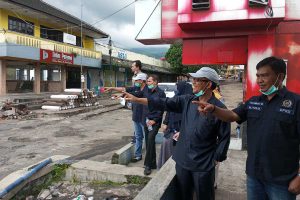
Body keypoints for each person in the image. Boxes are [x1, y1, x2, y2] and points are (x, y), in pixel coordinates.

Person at [194, 57, 300, 200]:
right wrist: (213, 109)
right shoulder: (253, 102)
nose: (259, 80)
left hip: (282, 181)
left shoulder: (295, 103)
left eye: (264, 75)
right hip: (254, 177)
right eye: (257, 76)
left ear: (280, 77)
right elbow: (232, 115)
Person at [123, 67, 231, 200]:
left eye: (197, 80)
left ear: (208, 84)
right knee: (183, 195)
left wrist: (216, 158)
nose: (193, 82)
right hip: (182, 160)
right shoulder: (187, 100)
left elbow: (224, 136)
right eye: (193, 79)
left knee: (205, 196)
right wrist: (137, 100)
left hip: (203, 165)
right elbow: (163, 102)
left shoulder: (219, 109)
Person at [103, 73, 148, 162]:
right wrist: (114, 89)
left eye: (137, 80)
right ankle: (138, 155)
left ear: (142, 81)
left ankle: (149, 158)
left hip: (145, 117)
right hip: (136, 116)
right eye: (135, 80)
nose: (135, 82)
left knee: (147, 139)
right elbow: (124, 89)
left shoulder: (147, 90)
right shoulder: (136, 88)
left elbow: (137, 96)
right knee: (138, 137)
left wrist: (125, 95)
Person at [157, 81, 193, 169]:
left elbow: (190, 119)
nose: (177, 89)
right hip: (171, 130)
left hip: (182, 132)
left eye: (178, 87)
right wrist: (165, 123)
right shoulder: (176, 96)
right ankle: (166, 168)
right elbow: (169, 110)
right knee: (167, 146)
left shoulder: (190, 101)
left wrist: (182, 131)